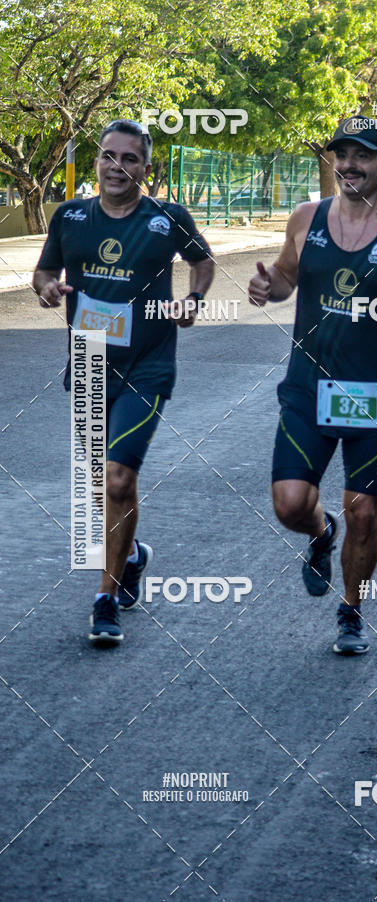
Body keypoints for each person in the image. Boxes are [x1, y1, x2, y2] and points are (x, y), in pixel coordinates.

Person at [247, 116, 377, 656]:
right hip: (308, 387)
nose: (349, 165)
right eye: (342, 155)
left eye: (362, 156)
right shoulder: (305, 217)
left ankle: (351, 610)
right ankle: (320, 534)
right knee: (291, 504)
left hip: (372, 394)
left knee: (365, 510)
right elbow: (287, 278)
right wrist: (269, 286)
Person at [33, 119, 215, 645]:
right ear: (97, 163)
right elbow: (44, 273)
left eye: (129, 159)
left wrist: (194, 300)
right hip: (89, 359)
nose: (117, 167)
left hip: (149, 363)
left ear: (146, 168)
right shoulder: (69, 216)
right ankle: (133, 556)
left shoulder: (167, 217)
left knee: (117, 478)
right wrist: (47, 290)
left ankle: (105, 598)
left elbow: (203, 264)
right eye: (108, 157)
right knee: (96, 486)